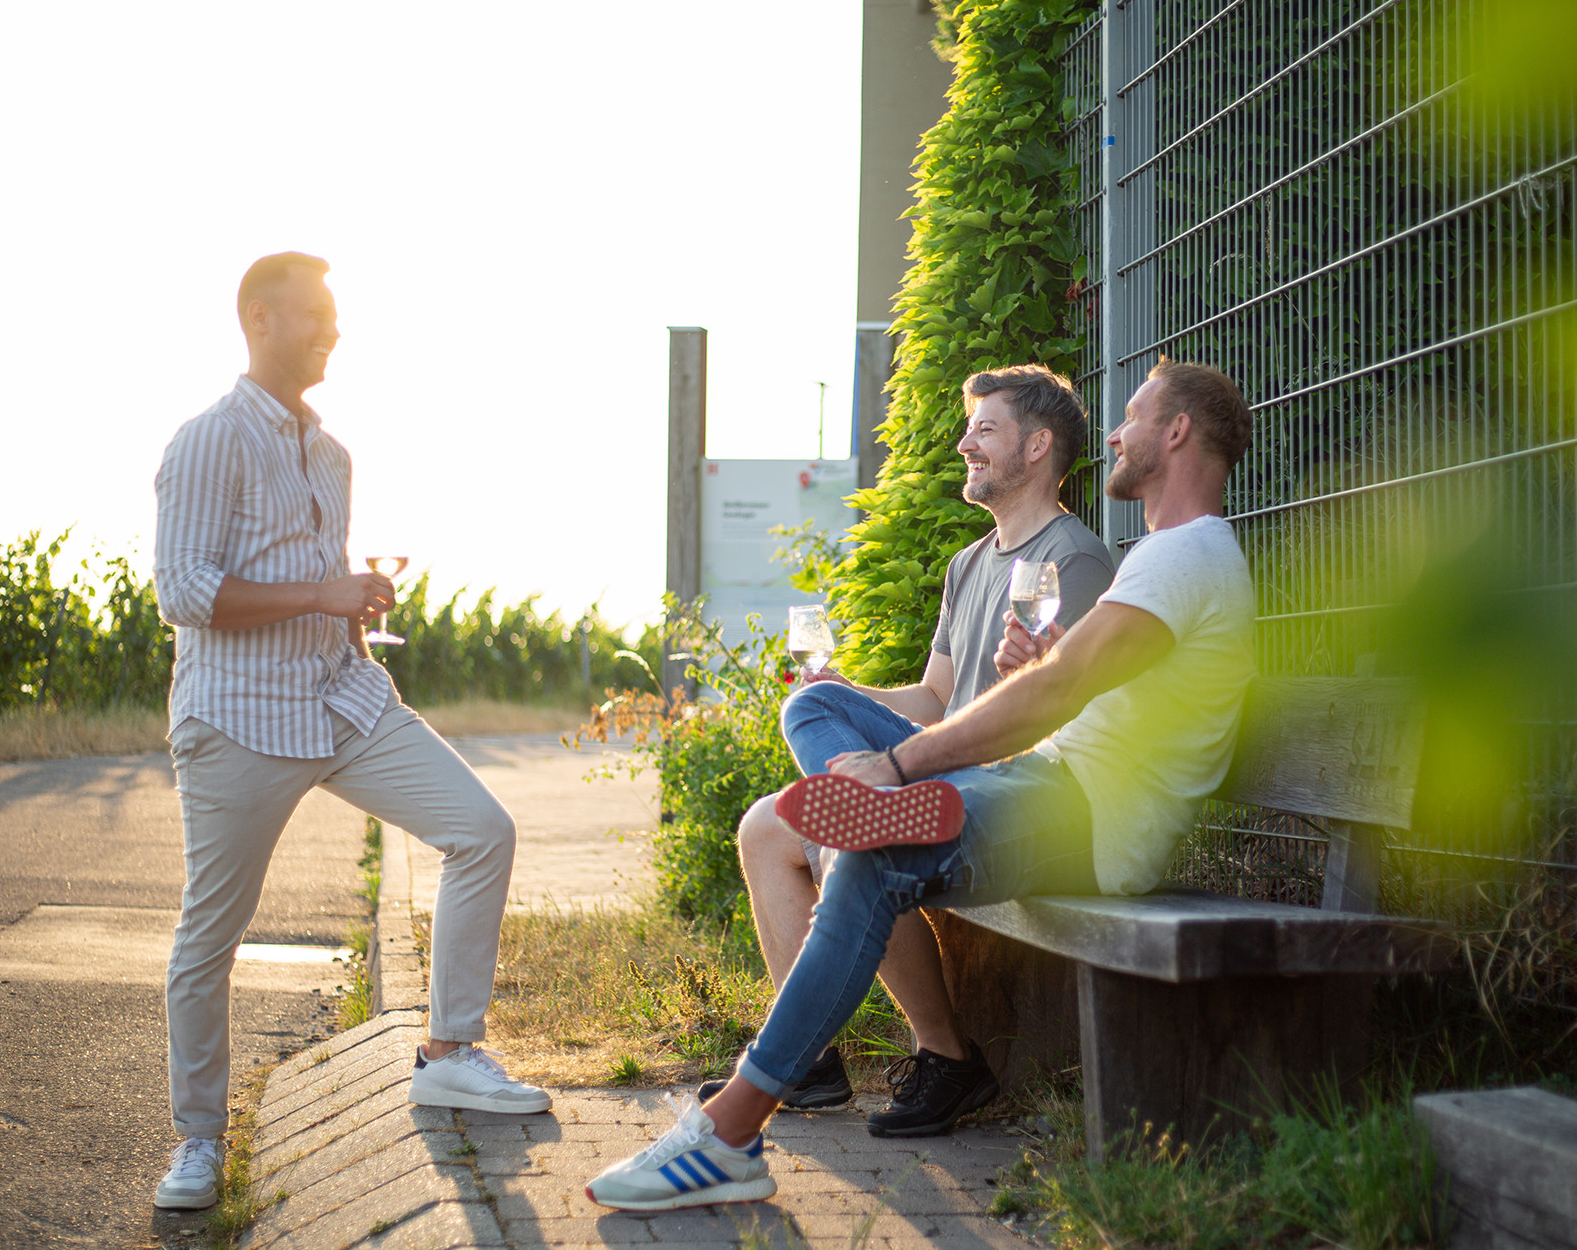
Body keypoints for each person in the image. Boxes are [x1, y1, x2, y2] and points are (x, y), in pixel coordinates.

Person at [586, 359, 1256, 1211]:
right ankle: (872, 821)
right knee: (822, 704)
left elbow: (1052, 699)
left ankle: (729, 1130)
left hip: (1091, 816)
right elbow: (1080, 688)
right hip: (1044, 780)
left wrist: (900, 765)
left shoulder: (1181, 556)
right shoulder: (1166, 557)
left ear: (1177, 432)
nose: (1115, 434)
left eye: (1131, 417)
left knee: (870, 859)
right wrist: (1037, 668)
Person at [149, 253, 552, 1211]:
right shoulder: (208, 440)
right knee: (213, 934)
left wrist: (350, 606)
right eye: (316, 316)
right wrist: (321, 591)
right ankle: (199, 1143)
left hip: (341, 696)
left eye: (335, 316)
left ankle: (450, 1052)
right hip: (238, 717)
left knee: (480, 830)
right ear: (258, 319)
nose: (333, 332)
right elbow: (185, 592)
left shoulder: (330, 452)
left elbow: (313, 583)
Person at [716, 364, 1113, 1138]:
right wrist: (853, 694)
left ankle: (946, 1056)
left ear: (1036, 447)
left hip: (1010, 779)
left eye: (984, 430)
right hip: (942, 765)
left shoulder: (1075, 557)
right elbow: (932, 701)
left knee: (852, 838)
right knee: (788, 766)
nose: (965, 443)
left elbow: (1067, 705)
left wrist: (1032, 673)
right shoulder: (969, 564)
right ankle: (812, 1065)